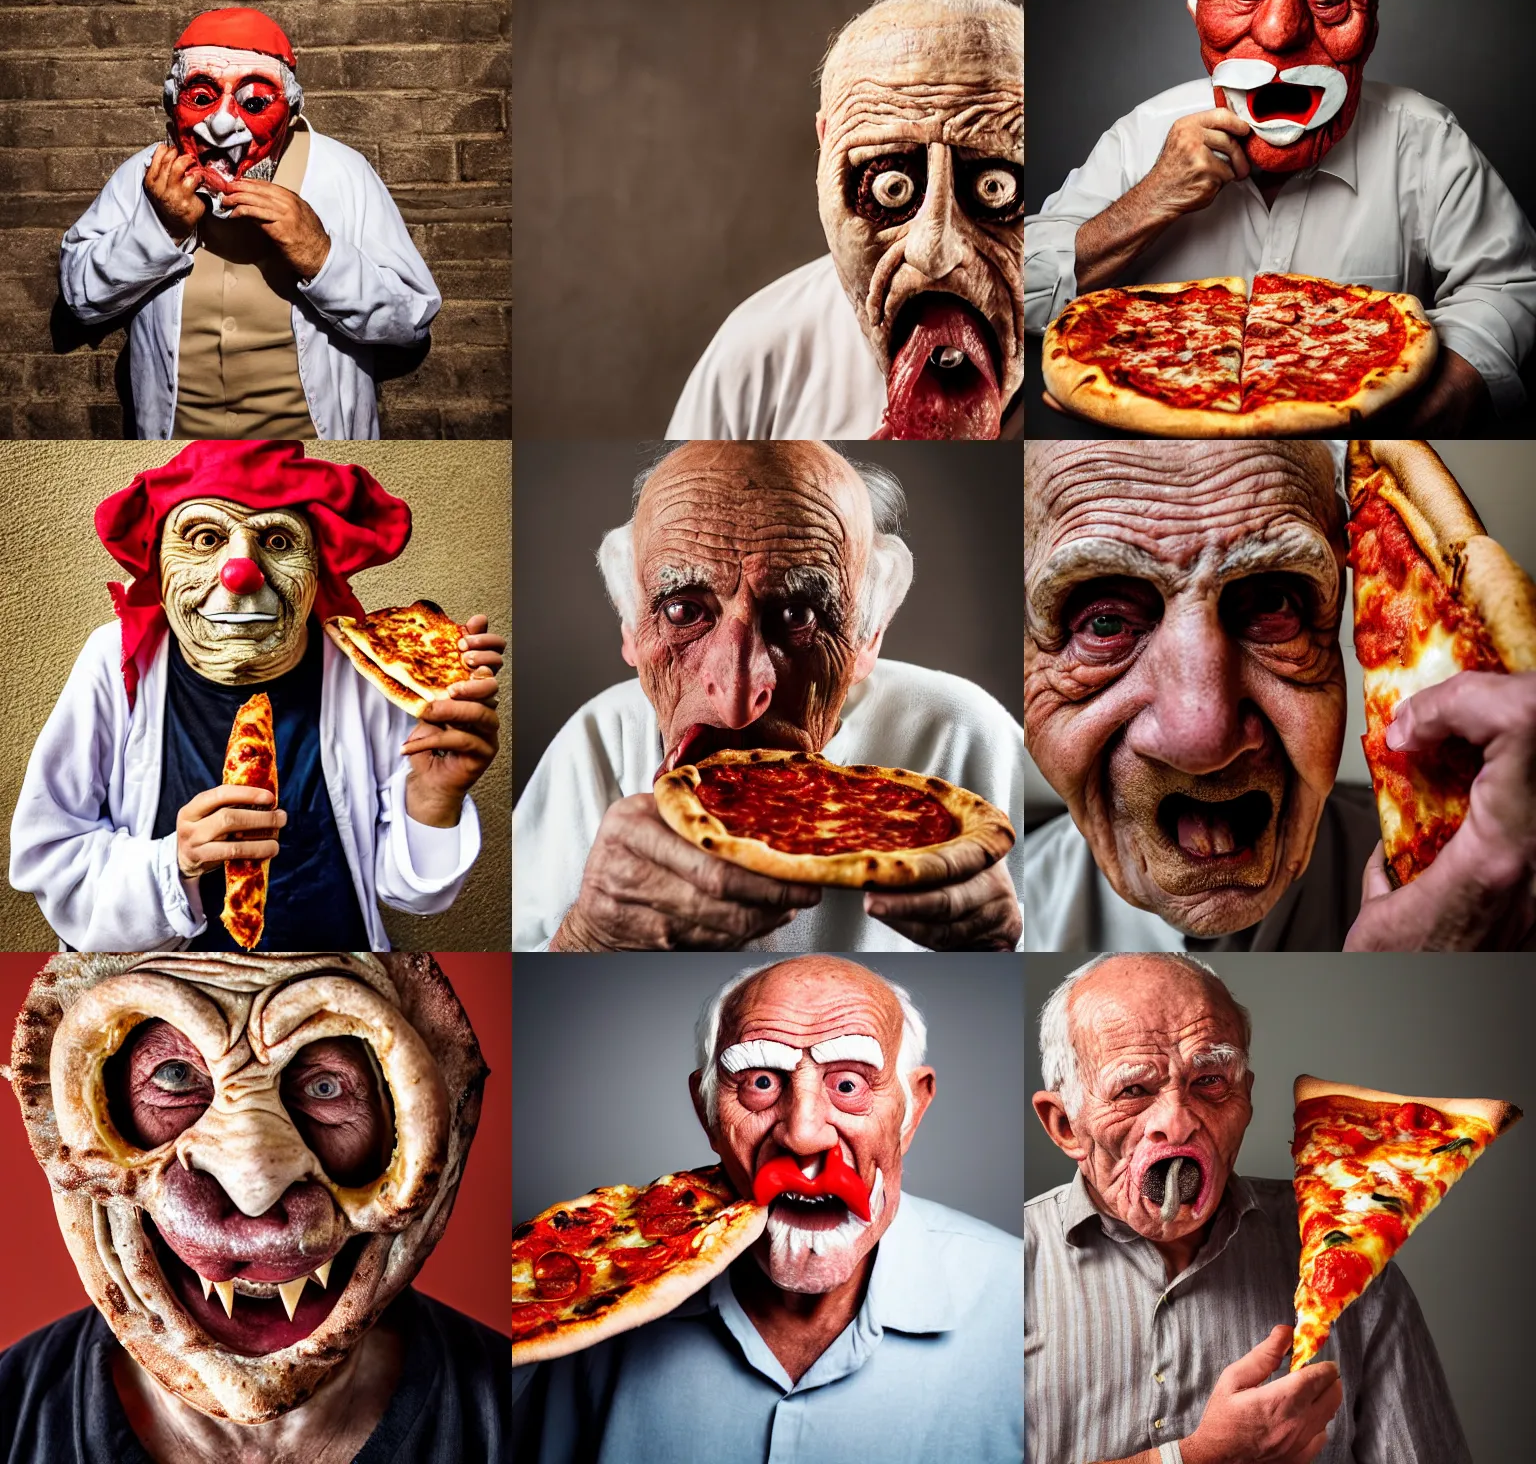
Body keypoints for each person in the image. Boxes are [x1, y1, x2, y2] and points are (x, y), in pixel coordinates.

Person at [1022, 439, 1536, 950]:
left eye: (1273, 603)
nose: (1204, 738)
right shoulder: (998, 919)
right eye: (1106, 624)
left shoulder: (1504, 878)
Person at [0, 950, 508, 1463]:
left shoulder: (520, 1407)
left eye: (325, 1087)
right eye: (175, 1075)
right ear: (64, 1112)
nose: (255, 1186)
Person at [514, 440, 1024, 950]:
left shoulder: (964, 735)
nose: (738, 699)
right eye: (682, 612)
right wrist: (588, 940)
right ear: (631, 627)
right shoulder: (596, 742)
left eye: (796, 616)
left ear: (868, 636)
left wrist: (1002, 947)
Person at [1025, 0, 1536, 436]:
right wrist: (1150, 199)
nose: (1280, 31)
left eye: (1327, 1)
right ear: (1198, 18)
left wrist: (1454, 380)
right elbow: (1018, 285)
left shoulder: (1426, 139)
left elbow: (1511, 286)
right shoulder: (1144, 133)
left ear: (1370, 28)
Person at [514, 954, 1023, 1463]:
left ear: (911, 1113)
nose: (802, 1134)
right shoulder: (586, 1309)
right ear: (708, 1112)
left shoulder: (1021, 1302)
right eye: (761, 1083)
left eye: (848, 1085)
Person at [9, 440, 502, 952]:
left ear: (317, 570)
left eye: (279, 543)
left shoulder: (368, 671)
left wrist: (433, 799)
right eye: (203, 539)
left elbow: (407, 895)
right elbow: (47, 858)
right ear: (158, 565)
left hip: (331, 973)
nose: (240, 574)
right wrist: (174, 860)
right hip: (160, 987)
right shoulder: (113, 659)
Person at [1027, 950, 1471, 1463]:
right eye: (1132, 1089)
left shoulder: (1342, 1247)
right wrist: (1199, 1457)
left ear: (1246, 1097)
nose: (1178, 1121)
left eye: (1210, 1081)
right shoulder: (1007, 1265)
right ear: (1064, 1125)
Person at [59, 6, 440, 440]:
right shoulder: (145, 176)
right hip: (179, 461)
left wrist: (320, 255)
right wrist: (160, 228)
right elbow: (80, 298)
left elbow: (412, 322)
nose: (222, 124)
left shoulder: (343, 173)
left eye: (255, 102)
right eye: (201, 98)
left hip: (312, 461)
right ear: (171, 106)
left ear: (291, 112)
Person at [667, 0, 1023, 440]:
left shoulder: (1101, 341)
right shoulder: (755, 358)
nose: (934, 252)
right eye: (892, 187)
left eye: (995, 187)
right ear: (825, 146)